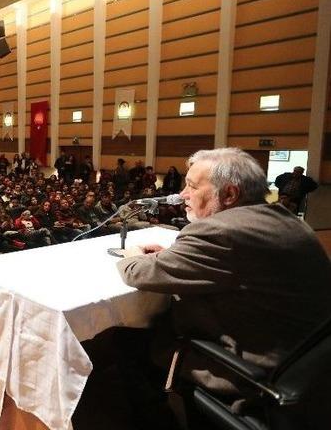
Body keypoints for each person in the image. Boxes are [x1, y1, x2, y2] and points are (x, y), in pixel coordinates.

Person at [103, 148, 331, 429]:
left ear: (230, 195)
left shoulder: (219, 232)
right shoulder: (289, 222)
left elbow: (138, 273)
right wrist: (179, 256)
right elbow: (237, 263)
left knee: (129, 340)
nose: (183, 194)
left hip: (254, 379)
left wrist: (133, 254)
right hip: (307, 372)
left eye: (193, 186)